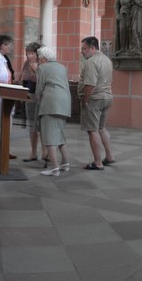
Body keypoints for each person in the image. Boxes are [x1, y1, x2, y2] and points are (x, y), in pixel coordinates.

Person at [33, 46, 72, 176]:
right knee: (60, 135)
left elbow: (40, 87)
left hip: (50, 103)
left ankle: (54, 167)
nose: (38, 61)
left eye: (39, 58)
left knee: (49, 135)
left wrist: (36, 98)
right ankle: (65, 163)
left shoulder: (42, 68)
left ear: (44, 58)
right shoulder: (62, 67)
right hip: (64, 102)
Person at [79, 36, 116, 170]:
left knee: (92, 130)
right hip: (107, 97)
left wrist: (85, 100)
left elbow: (90, 85)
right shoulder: (107, 59)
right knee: (101, 128)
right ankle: (109, 156)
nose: (82, 52)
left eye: (84, 49)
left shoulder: (91, 62)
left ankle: (97, 162)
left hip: (95, 99)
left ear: (92, 48)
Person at [0, 34, 15, 162]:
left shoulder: (4, 59)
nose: (9, 47)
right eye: (6, 44)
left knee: (6, 124)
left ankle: (3, 150)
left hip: (6, 96)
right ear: (0, 46)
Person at [19, 42, 42, 163]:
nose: (30, 56)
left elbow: (43, 79)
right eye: (28, 53)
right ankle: (33, 153)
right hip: (29, 95)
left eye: (32, 53)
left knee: (42, 126)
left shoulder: (43, 63)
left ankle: (46, 153)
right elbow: (22, 77)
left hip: (41, 97)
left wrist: (36, 70)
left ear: (37, 53)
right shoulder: (26, 63)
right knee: (32, 125)